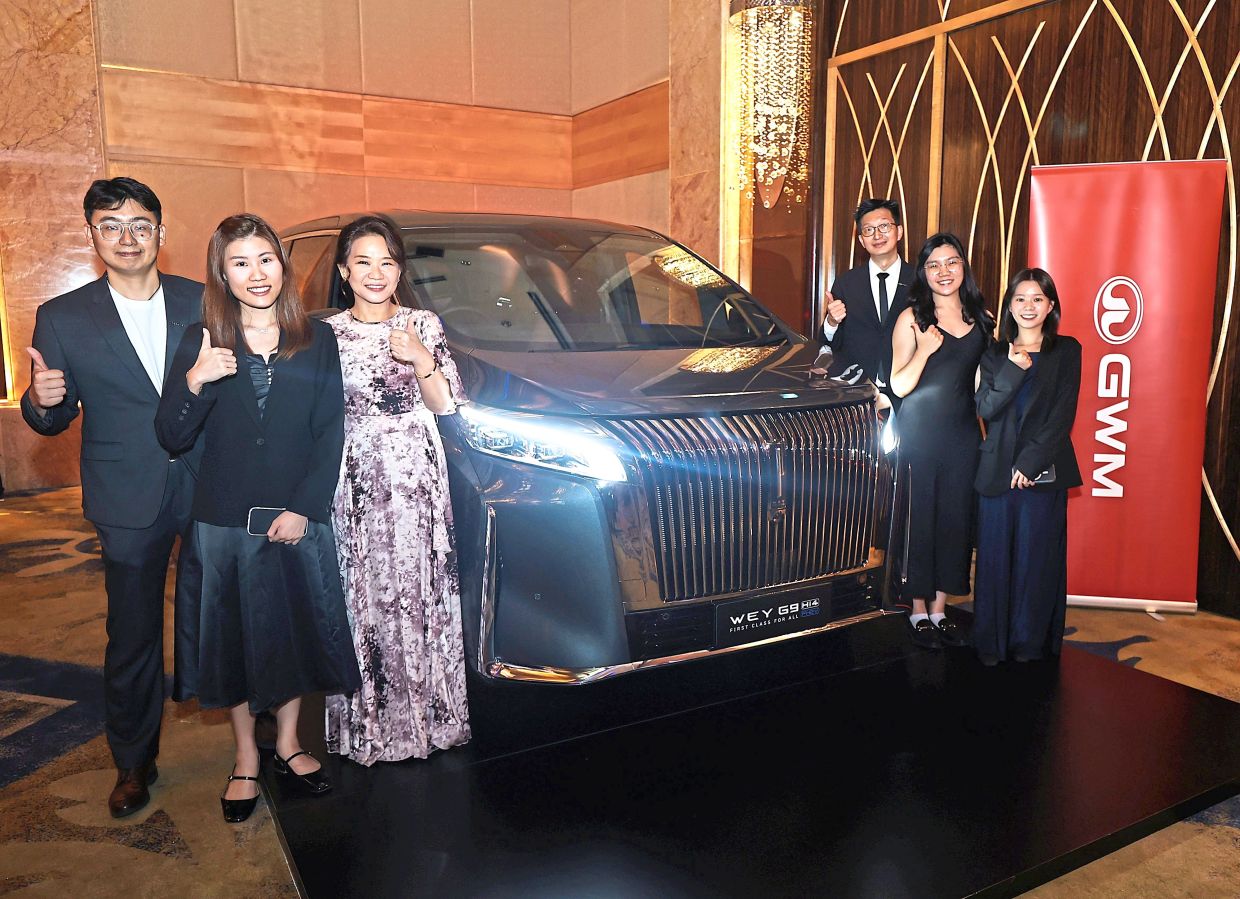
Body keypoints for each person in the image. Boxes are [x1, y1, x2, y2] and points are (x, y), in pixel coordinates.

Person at [155, 213, 360, 822]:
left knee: (292, 636)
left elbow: (330, 432)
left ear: (283, 264)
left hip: (297, 517)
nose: (256, 274)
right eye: (240, 262)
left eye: (266, 259)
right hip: (222, 523)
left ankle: (291, 744)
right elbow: (170, 435)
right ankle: (247, 756)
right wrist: (195, 380)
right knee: (234, 644)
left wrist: (304, 508)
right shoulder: (200, 338)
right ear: (222, 272)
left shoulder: (316, 338)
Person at [20, 177, 203, 817]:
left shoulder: (203, 301)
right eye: (111, 225)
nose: (127, 237)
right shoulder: (64, 316)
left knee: (229, 614)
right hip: (125, 495)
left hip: (210, 485)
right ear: (93, 235)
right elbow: (52, 409)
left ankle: (257, 732)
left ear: (160, 230)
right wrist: (40, 404)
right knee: (131, 635)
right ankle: (132, 761)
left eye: (139, 224)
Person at [323, 215, 471, 765]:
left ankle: (431, 721)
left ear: (399, 270)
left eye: (387, 261)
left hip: (418, 478)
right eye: (363, 261)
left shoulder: (422, 324)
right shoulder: (328, 334)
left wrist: (420, 358)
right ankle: (372, 726)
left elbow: (445, 404)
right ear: (344, 271)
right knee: (366, 593)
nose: (376, 272)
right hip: (357, 479)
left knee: (419, 588)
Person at [972, 268, 1082, 665]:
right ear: (1009, 307)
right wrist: (1014, 368)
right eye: (1020, 299)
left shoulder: (1067, 350)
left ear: (1051, 305)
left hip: (1042, 473)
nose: (1028, 306)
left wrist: (1030, 462)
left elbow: (1061, 415)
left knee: (1037, 560)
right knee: (996, 562)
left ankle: (1029, 644)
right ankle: (992, 644)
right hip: (997, 473)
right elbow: (985, 408)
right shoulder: (994, 353)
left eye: (1037, 298)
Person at [889, 233, 993, 650]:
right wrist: (925, 351)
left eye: (951, 263)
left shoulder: (981, 319)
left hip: (963, 435)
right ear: (924, 273)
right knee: (921, 520)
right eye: (934, 265)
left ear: (963, 267)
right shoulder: (912, 318)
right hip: (919, 434)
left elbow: (983, 386)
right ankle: (917, 610)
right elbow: (898, 384)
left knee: (954, 520)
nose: (943, 272)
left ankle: (940, 608)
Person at [820, 198, 913, 400]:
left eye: (884, 226)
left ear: (899, 232)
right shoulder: (846, 283)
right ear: (861, 240)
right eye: (869, 230)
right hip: (857, 391)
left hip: (908, 390)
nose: (877, 235)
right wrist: (832, 322)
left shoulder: (919, 281)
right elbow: (827, 345)